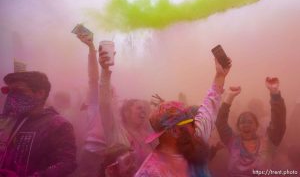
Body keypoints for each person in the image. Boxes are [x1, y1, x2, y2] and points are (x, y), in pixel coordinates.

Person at [135, 58, 231, 177]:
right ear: (175, 131)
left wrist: (220, 76)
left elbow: (208, 110)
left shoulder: (193, 142)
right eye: (191, 123)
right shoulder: (151, 172)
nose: (196, 125)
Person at [76, 33, 153, 176]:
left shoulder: (126, 120)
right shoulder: (98, 102)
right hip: (93, 152)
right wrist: (93, 50)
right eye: (107, 89)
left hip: (112, 152)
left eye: (113, 91)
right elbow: (94, 79)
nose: (112, 93)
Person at [0, 71, 77, 176]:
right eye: (9, 91)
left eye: (18, 91)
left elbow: (67, 164)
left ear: (40, 93)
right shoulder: (10, 121)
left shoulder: (58, 124)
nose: (12, 97)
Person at [215, 77, 286, 176]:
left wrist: (275, 93)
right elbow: (220, 123)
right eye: (242, 122)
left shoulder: (268, 142)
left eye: (249, 122)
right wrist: (229, 97)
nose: (246, 124)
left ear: (257, 125)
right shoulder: (232, 141)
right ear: (238, 126)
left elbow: (279, 124)